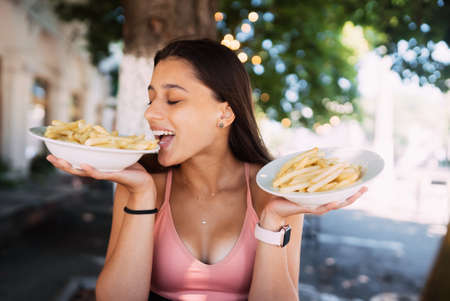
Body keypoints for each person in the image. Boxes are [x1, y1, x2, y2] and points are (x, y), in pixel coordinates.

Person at [47, 38, 368, 301]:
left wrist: (272, 220)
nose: (150, 113)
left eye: (172, 100)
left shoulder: (276, 189)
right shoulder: (142, 184)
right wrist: (142, 195)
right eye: (151, 99)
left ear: (225, 114)